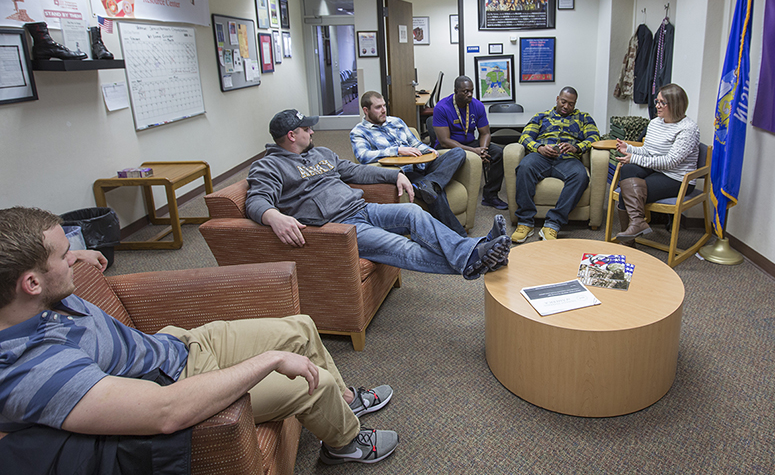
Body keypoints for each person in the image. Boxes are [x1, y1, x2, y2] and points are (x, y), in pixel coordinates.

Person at [0, 207, 398, 466]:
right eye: (65, 254)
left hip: (174, 344)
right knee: (315, 381)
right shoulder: (33, 367)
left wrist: (79, 256)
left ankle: (345, 404)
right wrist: (269, 361)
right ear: (32, 282)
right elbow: (164, 412)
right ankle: (344, 444)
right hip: (179, 384)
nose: (75, 259)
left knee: (301, 326)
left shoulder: (36, 294)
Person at [247, 109, 510, 280]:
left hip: (361, 209)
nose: (313, 131)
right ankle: (479, 256)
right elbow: (256, 199)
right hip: (339, 227)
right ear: (292, 136)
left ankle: (476, 254)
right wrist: (272, 216)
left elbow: (355, 171)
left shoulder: (321, 153)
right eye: (306, 129)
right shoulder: (269, 166)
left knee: (412, 211)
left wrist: (393, 174)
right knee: (402, 246)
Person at [351, 91, 468, 235]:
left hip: (422, 166)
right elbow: (363, 156)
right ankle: (460, 236)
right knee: (435, 194)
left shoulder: (396, 122)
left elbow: (415, 143)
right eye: (378, 107)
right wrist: (397, 150)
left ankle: (430, 183)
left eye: (384, 105)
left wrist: (430, 151)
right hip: (404, 173)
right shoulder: (359, 132)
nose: (383, 110)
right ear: (366, 110)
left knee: (458, 153)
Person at [511, 87, 600, 243]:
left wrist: (577, 147)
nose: (566, 106)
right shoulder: (541, 116)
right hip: (541, 156)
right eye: (563, 102)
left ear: (575, 104)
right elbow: (525, 136)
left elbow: (594, 137)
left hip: (568, 159)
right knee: (524, 167)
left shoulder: (584, 118)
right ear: (557, 98)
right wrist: (539, 147)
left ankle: (553, 224)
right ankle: (525, 222)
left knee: (580, 176)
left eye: (570, 104)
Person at [614, 83, 700, 242]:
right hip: (657, 170)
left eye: (662, 103)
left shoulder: (688, 129)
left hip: (677, 178)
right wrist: (630, 149)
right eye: (657, 101)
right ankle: (637, 223)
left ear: (675, 105)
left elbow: (670, 162)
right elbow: (649, 151)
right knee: (628, 171)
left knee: (627, 191)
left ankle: (628, 242)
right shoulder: (655, 123)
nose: (657, 106)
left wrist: (634, 157)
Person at [432, 76, 507, 210]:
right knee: (459, 153)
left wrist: (483, 150)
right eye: (465, 91)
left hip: (471, 143)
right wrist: (474, 151)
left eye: (471, 91)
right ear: (456, 91)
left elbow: (485, 133)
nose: (470, 94)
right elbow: (444, 141)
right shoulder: (442, 107)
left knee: (497, 153)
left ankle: (490, 196)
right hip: (448, 147)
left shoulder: (477, 105)